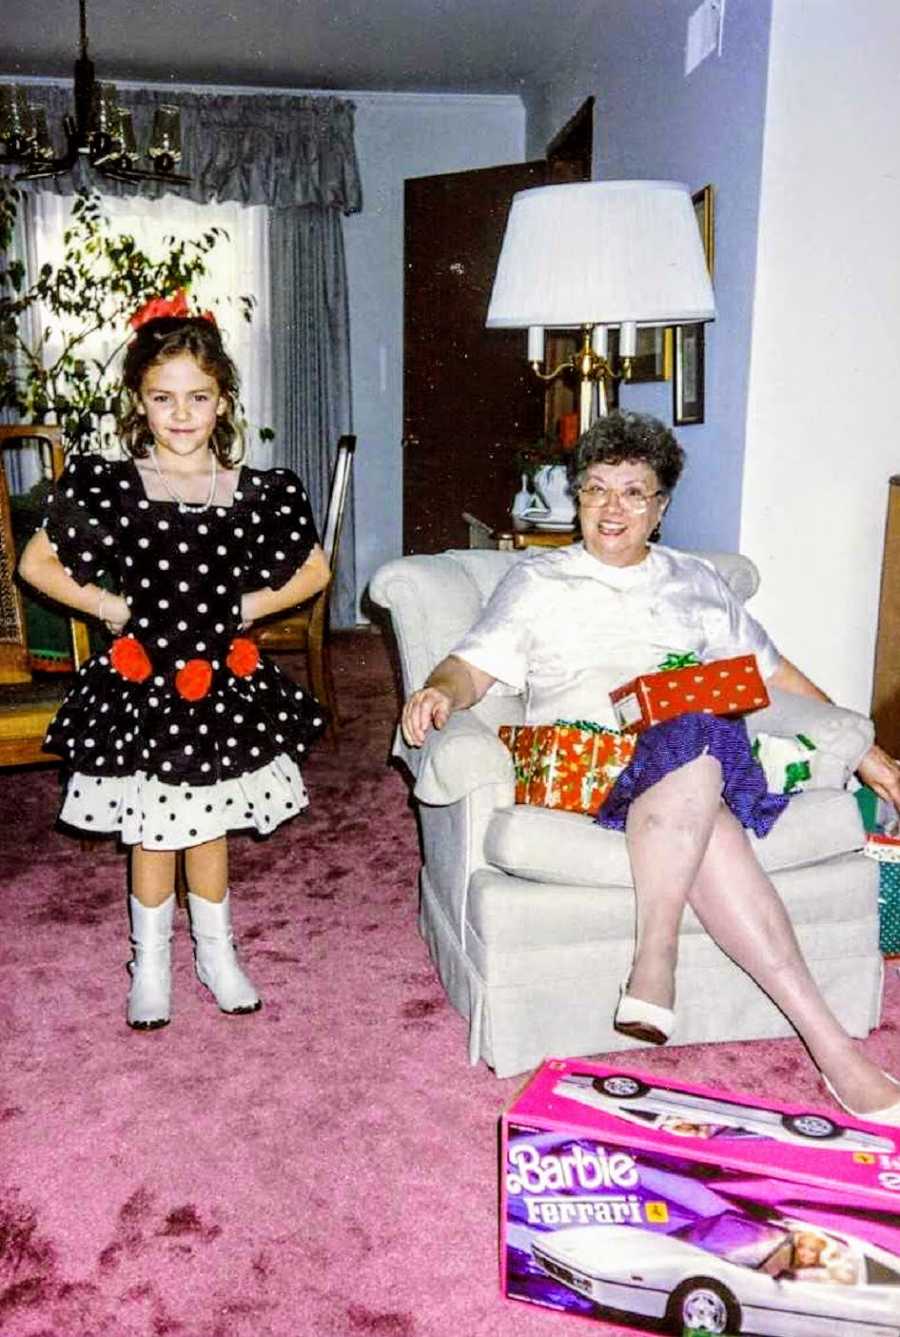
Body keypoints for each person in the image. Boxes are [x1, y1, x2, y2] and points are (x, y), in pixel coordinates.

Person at [401, 411, 900, 1124]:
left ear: (661, 507)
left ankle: (796, 1032)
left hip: (689, 770)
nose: (612, 508)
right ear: (577, 497)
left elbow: (774, 672)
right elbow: (471, 666)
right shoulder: (540, 579)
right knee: (703, 766)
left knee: (696, 740)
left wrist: (867, 749)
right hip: (588, 767)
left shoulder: (696, 582)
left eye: (634, 492)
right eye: (597, 488)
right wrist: (437, 690)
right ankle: (788, 1027)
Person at [18, 308, 330, 1031]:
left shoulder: (254, 489)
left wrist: (251, 603)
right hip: (144, 685)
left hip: (218, 685)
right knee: (153, 828)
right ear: (139, 400)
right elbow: (37, 562)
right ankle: (150, 960)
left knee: (208, 823)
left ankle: (216, 952)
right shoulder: (115, 486)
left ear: (223, 400)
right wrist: (105, 604)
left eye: (198, 397)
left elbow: (313, 568)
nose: (181, 413)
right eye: (164, 397)